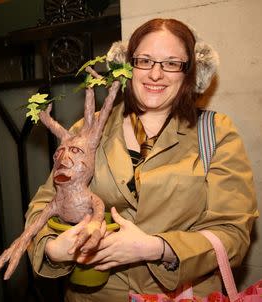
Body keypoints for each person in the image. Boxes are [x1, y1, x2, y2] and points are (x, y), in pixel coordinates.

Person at [25, 18, 258, 301]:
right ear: (127, 65)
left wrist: (157, 248)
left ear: (189, 71)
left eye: (171, 63)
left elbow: (233, 232)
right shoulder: (87, 130)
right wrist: (52, 248)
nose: (155, 75)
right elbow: (45, 203)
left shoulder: (215, 132)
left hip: (183, 294)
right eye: (144, 60)